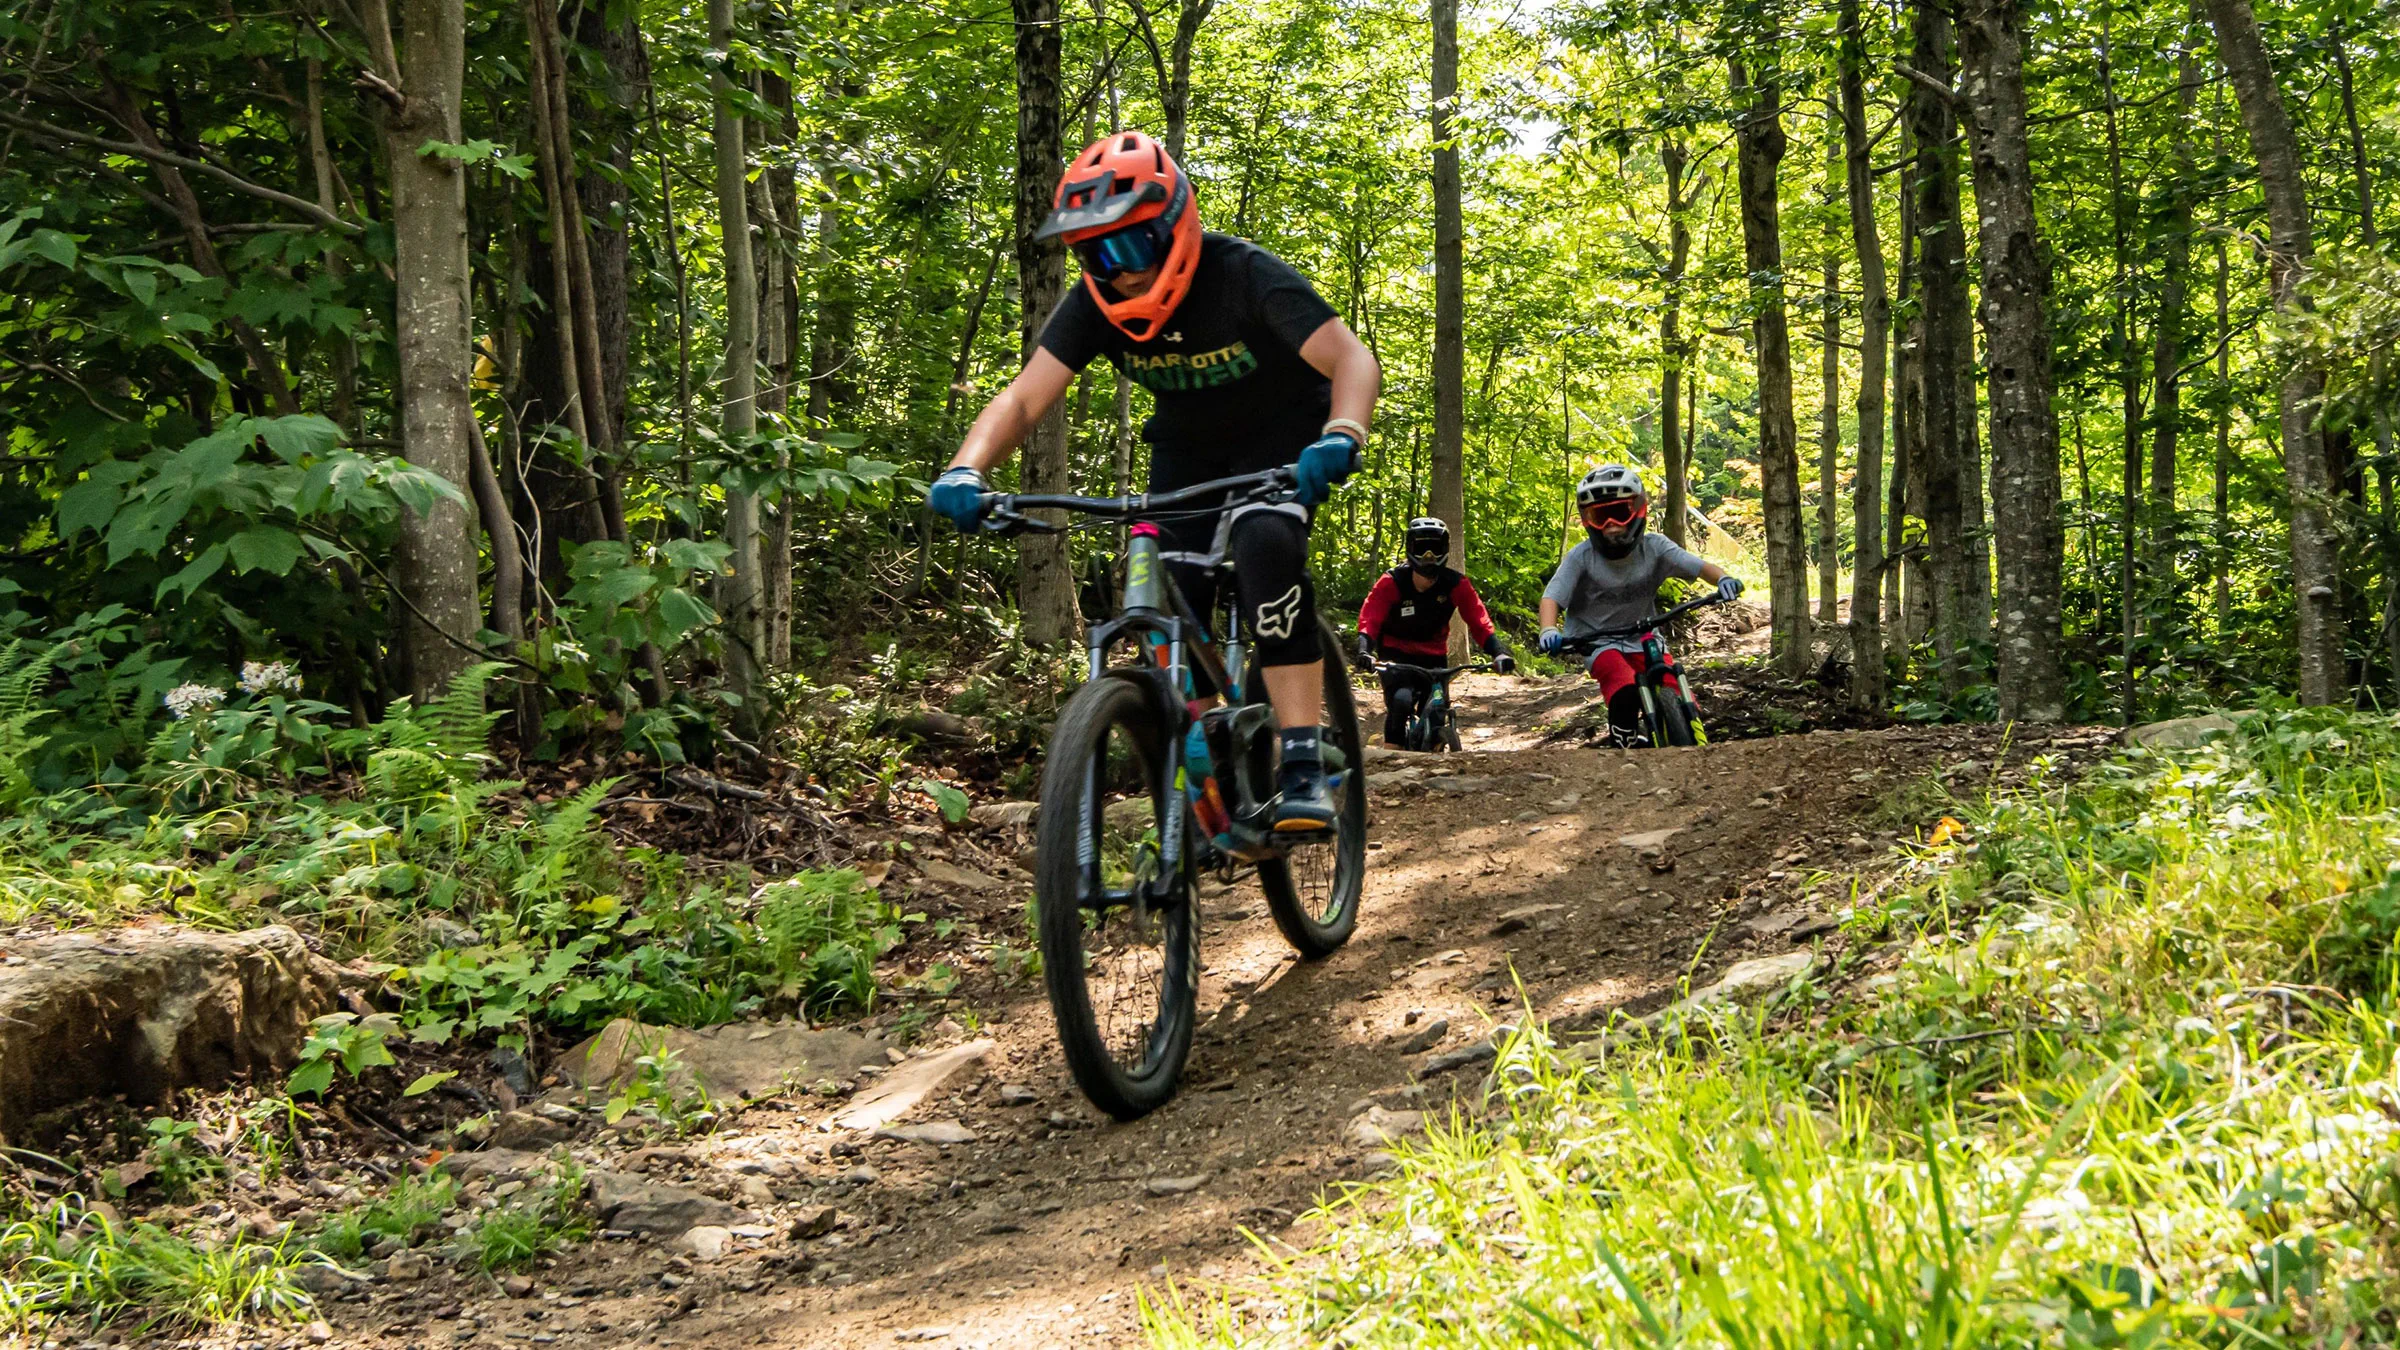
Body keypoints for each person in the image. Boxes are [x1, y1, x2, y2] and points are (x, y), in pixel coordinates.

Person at [924, 130, 1381, 832]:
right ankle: (1206, 765)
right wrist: (965, 467)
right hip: (1186, 453)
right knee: (1173, 589)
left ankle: (1299, 761)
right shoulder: (1092, 305)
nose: (1118, 271)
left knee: (1266, 547)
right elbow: (1022, 399)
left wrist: (1342, 434)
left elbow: (1351, 358)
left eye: (1130, 247)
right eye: (1094, 254)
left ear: (1175, 227)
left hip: (1281, 441)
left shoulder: (1243, 274)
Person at [1538, 464, 1743, 748]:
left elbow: (1699, 567)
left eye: (1620, 513)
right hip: (1597, 641)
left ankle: (1694, 743)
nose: (1611, 524)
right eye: (1600, 516)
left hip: (1644, 636)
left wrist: (1723, 579)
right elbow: (1552, 597)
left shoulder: (1655, 547)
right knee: (1623, 686)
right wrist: (1548, 629)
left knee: (1678, 689)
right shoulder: (1581, 557)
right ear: (1587, 520)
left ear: (1638, 510)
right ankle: (1625, 742)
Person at [1355, 517, 1513, 747]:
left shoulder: (1455, 584)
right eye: (1421, 548)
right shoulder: (1392, 582)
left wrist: (1498, 653)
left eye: (1435, 548)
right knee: (1401, 702)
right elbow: (1370, 618)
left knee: (1438, 709)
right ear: (1410, 549)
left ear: (1445, 550)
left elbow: (1479, 620)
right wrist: (1364, 650)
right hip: (1395, 656)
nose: (1428, 556)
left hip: (1434, 656)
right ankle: (1391, 754)